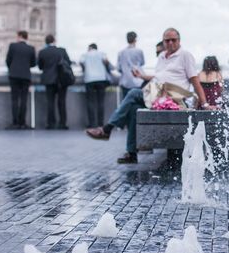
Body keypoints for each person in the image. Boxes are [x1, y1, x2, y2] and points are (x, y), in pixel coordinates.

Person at [85, 28, 215, 164]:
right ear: (163, 41)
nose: (170, 43)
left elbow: (195, 81)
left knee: (133, 93)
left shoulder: (185, 55)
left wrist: (205, 104)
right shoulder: (161, 57)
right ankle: (131, 154)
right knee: (134, 108)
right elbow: (159, 77)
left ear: (179, 40)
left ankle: (107, 129)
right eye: (167, 40)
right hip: (157, 95)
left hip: (175, 99)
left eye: (173, 40)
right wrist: (141, 76)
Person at [37, 34, 72, 130]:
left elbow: (40, 66)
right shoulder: (62, 51)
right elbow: (68, 63)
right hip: (61, 80)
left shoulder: (42, 52)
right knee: (62, 102)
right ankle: (62, 123)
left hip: (49, 80)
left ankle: (51, 123)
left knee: (50, 102)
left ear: (46, 42)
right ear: (54, 41)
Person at [5, 30, 36, 129]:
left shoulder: (12, 46)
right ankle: (22, 123)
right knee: (24, 100)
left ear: (19, 36)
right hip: (26, 76)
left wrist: (13, 69)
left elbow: (8, 60)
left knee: (14, 100)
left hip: (14, 75)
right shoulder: (31, 48)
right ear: (26, 37)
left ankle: (15, 123)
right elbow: (33, 63)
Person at [80, 43, 112, 128]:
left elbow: (81, 63)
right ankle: (100, 123)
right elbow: (107, 61)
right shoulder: (101, 53)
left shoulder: (85, 54)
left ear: (90, 48)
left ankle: (92, 123)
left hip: (89, 79)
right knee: (100, 101)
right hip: (101, 79)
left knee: (90, 102)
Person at [117, 31, 145, 100]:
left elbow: (118, 68)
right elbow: (142, 63)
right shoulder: (139, 51)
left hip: (125, 82)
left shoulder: (121, 52)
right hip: (138, 82)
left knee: (125, 104)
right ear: (135, 39)